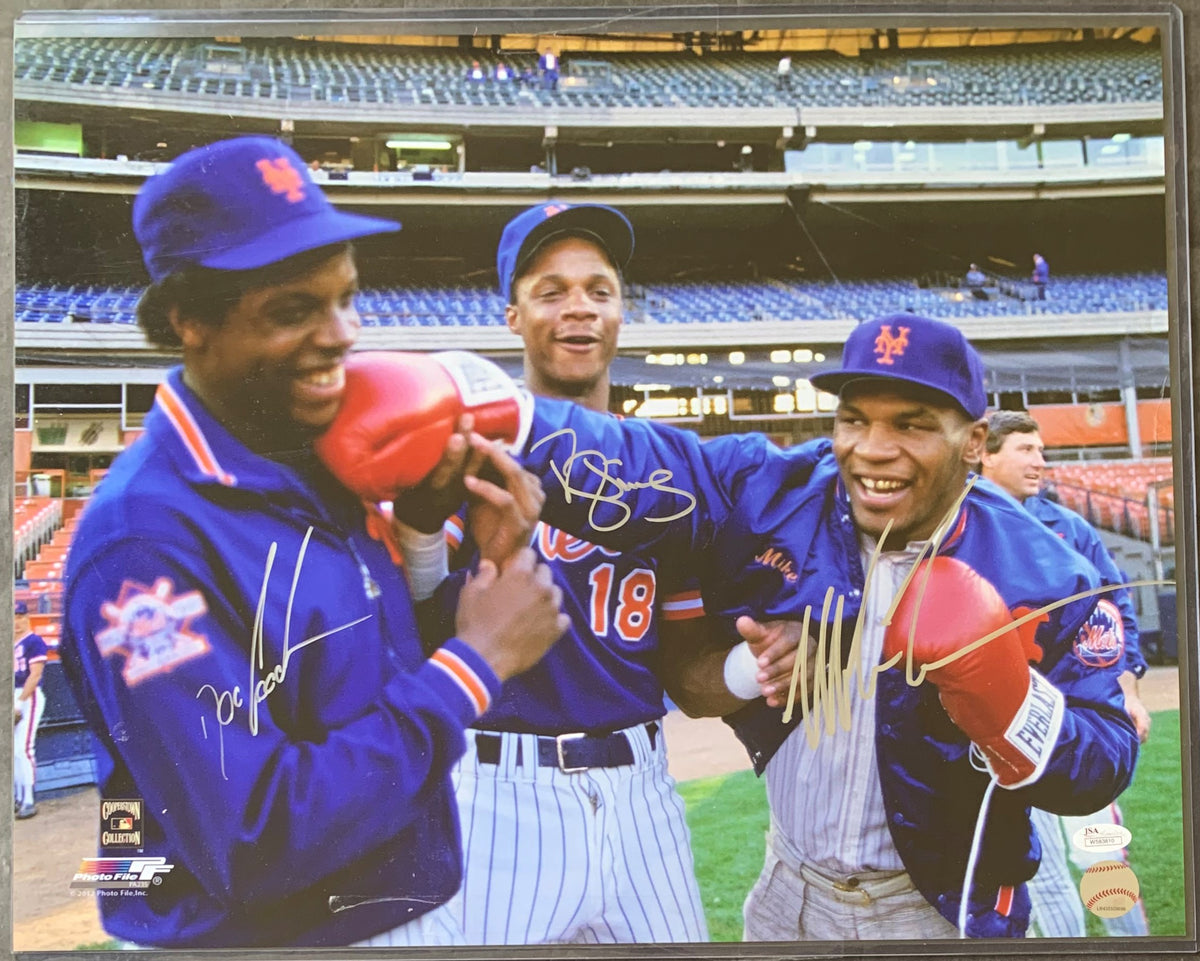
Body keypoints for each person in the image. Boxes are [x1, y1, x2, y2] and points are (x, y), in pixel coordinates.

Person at [324, 313, 1139, 939]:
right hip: (789, 891)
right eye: (855, 418)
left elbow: (1102, 761)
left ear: (971, 443)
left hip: (937, 907)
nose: (872, 449)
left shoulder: (1051, 571)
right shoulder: (780, 490)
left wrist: (1008, 708)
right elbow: (655, 463)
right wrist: (504, 415)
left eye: (912, 424)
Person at [57, 136, 566, 949]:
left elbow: (354, 687)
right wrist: (475, 665)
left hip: (383, 912)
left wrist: (428, 537)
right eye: (294, 310)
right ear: (189, 318)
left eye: (347, 299)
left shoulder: (310, 454)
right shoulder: (140, 543)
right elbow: (250, 840)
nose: (341, 335)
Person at [424, 203, 711, 944]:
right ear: (513, 314)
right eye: (551, 291)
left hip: (644, 788)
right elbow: (409, 617)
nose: (578, 307)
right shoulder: (470, 449)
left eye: (599, 289)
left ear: (621, 312)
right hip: (497, 789)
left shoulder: (666, 464)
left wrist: (756, 663)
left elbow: (687, 671)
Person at [980, 409, 1150, 938]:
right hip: (1003, 726)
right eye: (1025, 450)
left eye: (1041, 449)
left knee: (1102, 857)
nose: (1040, 460)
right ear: (985, 453)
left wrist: (1128, 694)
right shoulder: (960, 525)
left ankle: (1136, 948)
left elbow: (1114, 607)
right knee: (1041, 870)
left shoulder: (1066, 525)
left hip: (1079, 720)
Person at [13, 599, 48, 820]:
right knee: (12, 751)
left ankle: (28, 800)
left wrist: (19, 702)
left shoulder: (34, 641)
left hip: (29, 695)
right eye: (13, 617)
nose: (16, 622)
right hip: (12, 694)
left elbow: (35, 676)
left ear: (27, 617)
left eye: (20, 616)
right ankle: (18, 797)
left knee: (23, 749)